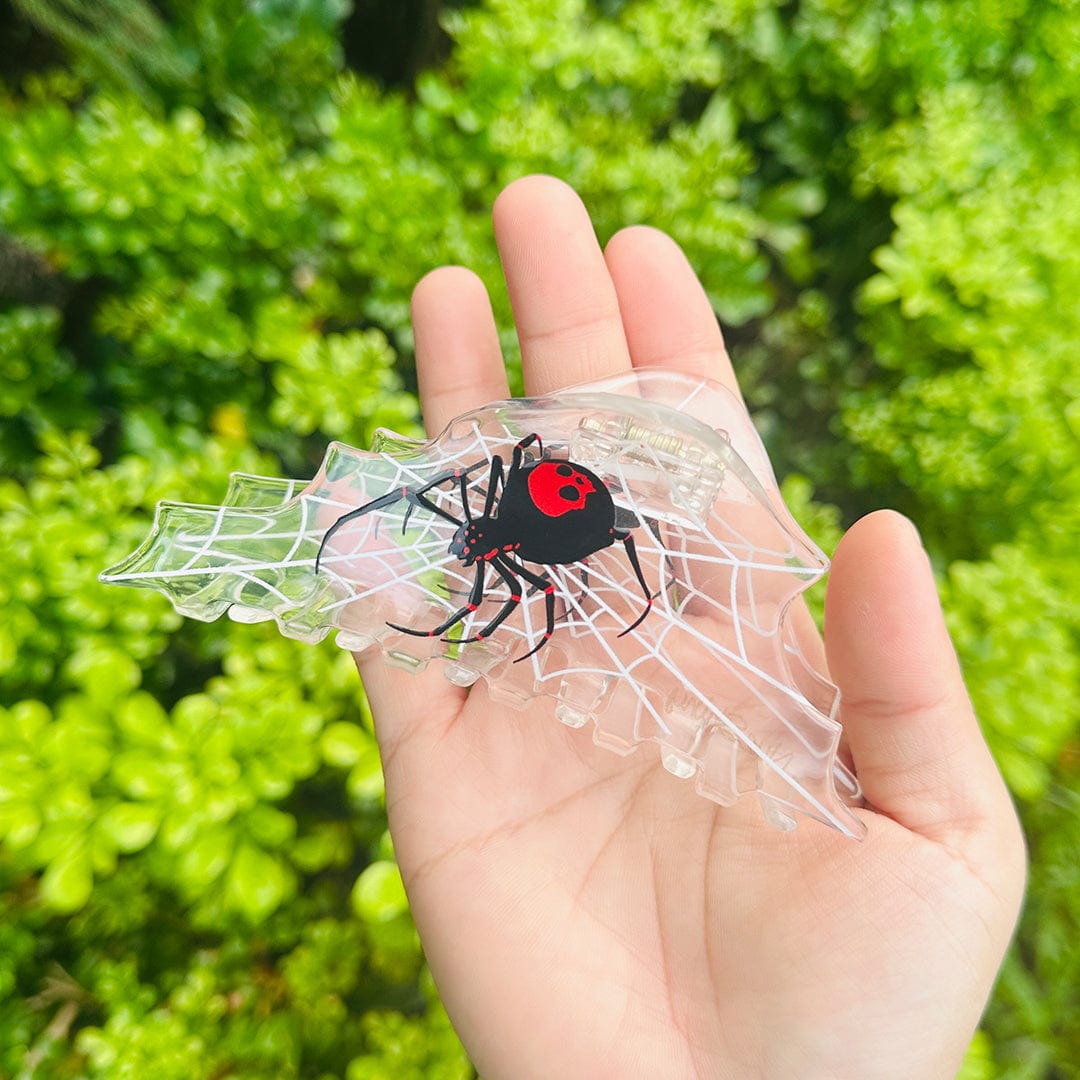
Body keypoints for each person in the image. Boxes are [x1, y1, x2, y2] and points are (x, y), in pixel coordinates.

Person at [355, 175, 1026, 1079]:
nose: (472, 549)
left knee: (530, 566)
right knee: (524, 550)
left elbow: (520, 540)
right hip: (557, 509)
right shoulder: (499, 525)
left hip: (563, 511)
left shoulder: (506, 537)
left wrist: (553, 585)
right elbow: (513, 514)